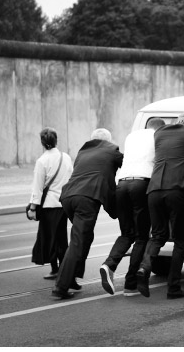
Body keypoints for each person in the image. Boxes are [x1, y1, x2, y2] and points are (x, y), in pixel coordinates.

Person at [52, 128, 123, 299]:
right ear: (108, 140)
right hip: (86, 199)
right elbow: (128, 167)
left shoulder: (82, 152)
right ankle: (61, 287)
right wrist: (118, 210)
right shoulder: (112, 150)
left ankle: (71, 279)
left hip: (68, 197)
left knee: (84, 238)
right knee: (78, 242)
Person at [136, 114, 184, 300]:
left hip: (155, 189)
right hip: (178, 189)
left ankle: (144, 267)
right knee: (179, 241)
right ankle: (173, 287)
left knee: (157, 235)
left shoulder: (160, 132)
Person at [99, 117, 166, 297]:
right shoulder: (158, 137)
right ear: (160, 129)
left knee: (127, 233)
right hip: (141, 184)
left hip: (122, 185)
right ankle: (130, 284)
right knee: (142, 237)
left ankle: (109, 264)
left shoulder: (132, 136)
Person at [28, 127, 74, 280]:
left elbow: (38, 186)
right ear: (56, 140)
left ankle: (55, 269)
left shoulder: (42, 161)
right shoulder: (66, 157)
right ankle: (64, 268)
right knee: (62, 239)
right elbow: (71, 179)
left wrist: (33, 207)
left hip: (49, 206)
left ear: (42, 143)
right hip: (64, 204)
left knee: (49, 239)